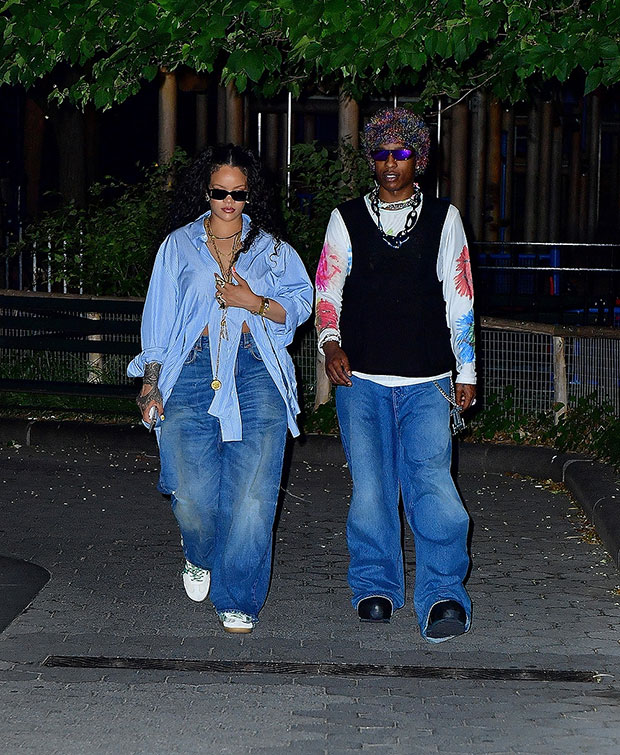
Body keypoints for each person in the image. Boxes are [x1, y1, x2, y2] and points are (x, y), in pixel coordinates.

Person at [128, 144, 313, 634]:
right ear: (204, 192)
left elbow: (300, 305)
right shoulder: (178, 246)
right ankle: (201, 553)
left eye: (238, 193)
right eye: (219, 192)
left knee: (252, 495)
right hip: (190, 371)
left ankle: (238, 597)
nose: (228, 202)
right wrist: (150, 385)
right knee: (191, 493)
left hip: (256, 371)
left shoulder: (272, 249)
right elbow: (159, 319)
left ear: (251, 195)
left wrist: (253, 300)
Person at [315, 107, 476, 643]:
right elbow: (327, 290)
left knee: (432, 486)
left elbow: (460, 297)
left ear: (419, 161)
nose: (390, 163)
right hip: (360, 381)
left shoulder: (444, 219)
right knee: (372, 490)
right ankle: (375, 585)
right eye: (381, 154)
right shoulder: (346, 218)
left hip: (429, 382)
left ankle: (443, 592)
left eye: (401, 154)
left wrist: (466, 370)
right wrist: (329, 342)